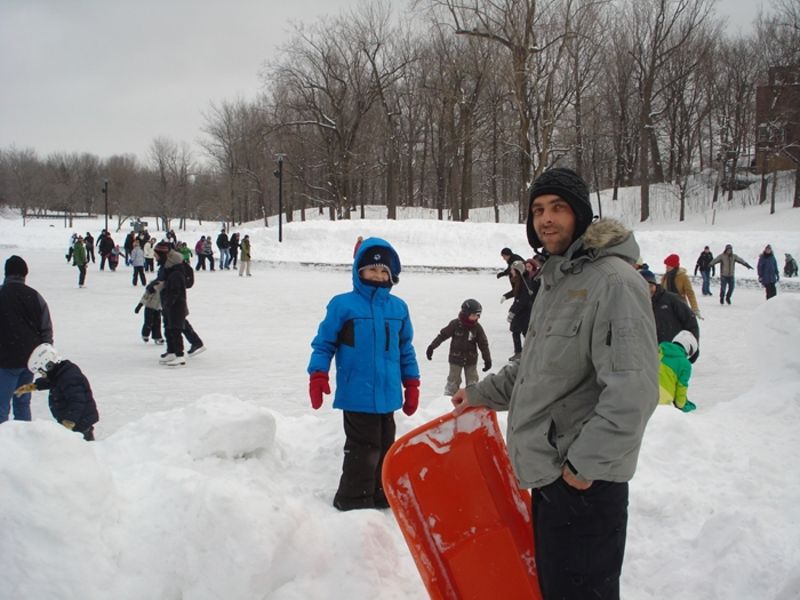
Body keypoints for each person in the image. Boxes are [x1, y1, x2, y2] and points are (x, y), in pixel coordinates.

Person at [452, 167, 658, 600]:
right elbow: (534, 368)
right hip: (552, 478)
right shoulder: (558, 280)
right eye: (538, 210)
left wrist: (580, 471)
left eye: (558, 208)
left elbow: (633, 392)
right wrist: (478, 394)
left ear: (580, 214)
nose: (546, 218)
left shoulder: (614, 283)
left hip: (586, 485)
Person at [307, 237, 420, 511]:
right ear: (359, 270)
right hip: (357, 392)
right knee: (363, 448)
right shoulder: (343, 305)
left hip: (389, 394)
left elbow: (405, 348)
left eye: (383, 271)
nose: (378, 275)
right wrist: (318, 373)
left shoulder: (398, 308)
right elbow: (324, 343)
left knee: (386, 446)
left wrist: (411, 383)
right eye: (372, 269)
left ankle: (381, 494)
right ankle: (353, 500)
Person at [0, 256, 54, 423]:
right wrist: (45, 355)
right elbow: (46, 328)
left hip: (5, 361)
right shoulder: (35, 296)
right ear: (25, 274)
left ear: (6, 273)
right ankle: (24, 436)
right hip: (30, 360)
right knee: (22, 404)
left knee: (1, 407)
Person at [15, 344, 99, 441]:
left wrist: (69, 421)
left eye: (42, 372)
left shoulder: (69, 377)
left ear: (48, 365)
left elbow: (77, 401)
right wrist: (33, 386)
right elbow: (53, 381)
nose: (42, 375)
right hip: (75, 420)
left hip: (80, 422)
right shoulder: (61, 372)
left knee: (83, 447)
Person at [426, 299, 491, 396]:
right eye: (474, 315)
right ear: (466, 313)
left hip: (471, 359)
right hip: (455, 358)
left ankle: (473, 398)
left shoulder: (477, 328)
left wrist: (487, 359)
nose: (476, 317)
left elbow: (483, 345)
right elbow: (442, 336)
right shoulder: (455, 324)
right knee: (453, 380)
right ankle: (449, 398)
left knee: (472, 381)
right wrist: (432, 347)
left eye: (478, 315)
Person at [640, 268, 700, 363]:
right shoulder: (636, 303)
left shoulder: (671, 299)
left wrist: (693, 347)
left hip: (672, 352)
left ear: (655, 285)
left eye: (650, 286)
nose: (648, 290)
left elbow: (690, 322)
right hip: (648, 354)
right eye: (643, 286)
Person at [153, 242, 190, 366]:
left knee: (175, 330)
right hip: (168, 304)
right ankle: (171, 351)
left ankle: (179, 355)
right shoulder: (168, 268)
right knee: (168, 328)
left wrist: (169, 302)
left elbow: (176, 290)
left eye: (156, 254)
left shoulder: (176, 271)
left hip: (176, 306)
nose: (155, 257)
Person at [658, 330, 698, 413]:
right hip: (661, 404)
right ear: (689, 349)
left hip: (641, 394)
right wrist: (687, 406)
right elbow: (680, 402)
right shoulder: (685, 364)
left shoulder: (657, 350)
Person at [506, 260, 533, 361]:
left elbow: (523, 300)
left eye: (513, 270)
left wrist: (513, 312)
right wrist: (506, 296)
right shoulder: (518, 279)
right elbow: (516, 294)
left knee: (524, 332)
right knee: (516, 331)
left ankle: (528, 351)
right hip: (520, 310)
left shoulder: (524, 282)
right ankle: (519, 352)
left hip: (524, 311)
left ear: (518, 271)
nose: (511, 271)